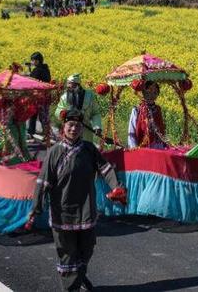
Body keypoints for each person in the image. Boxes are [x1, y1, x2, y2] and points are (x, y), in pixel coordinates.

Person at [29, 109, 126, 291]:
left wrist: (116, 187)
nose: (74, 129)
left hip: (86, 209)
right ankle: (70, 287)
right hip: (63, 211)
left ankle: (79, 276)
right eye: (70, 125)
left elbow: (105, 169)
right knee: (67, 252)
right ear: (63, 127)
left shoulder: (89, 149)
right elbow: (43, 181)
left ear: (82, 129)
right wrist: (37, 206)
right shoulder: (54, 152)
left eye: (78, 126)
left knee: (86, 248)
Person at [55, 74, 102, 143]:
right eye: (68, 84)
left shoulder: (90, 95)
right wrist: (61, 113)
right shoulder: (64, 97)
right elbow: (58, 110)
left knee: (85, 150)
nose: (67, 86)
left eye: (70, 84)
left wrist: (97, 126)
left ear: (77, 85)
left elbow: (95, 113)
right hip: (70, 129)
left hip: (86, 130)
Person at [127, 81, 166, 149]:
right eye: (149, 91)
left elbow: (161, 129)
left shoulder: (158, 109)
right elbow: (131, 131)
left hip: (158, 147)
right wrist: (133, 149)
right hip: (143, 148)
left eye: (155, 92)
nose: (152, 94)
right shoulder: (137, 110)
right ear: (143, 92)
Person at [28, 52, 51, 137]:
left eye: (33, 60)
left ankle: (31, 132)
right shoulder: (46, 68)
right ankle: (46, 133)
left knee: (33, 114)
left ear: (37, 61)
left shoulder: (37, 70)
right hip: (45, 95)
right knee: (43, 115)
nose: (32, 62)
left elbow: (31, 81)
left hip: (37, 95)